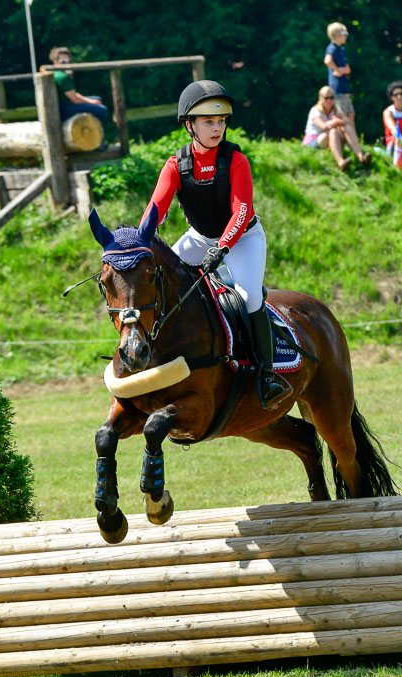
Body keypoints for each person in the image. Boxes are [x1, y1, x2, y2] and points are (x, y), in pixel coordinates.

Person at [140, 80, 292, 410]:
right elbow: (156, 210)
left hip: (242, 239)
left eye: (221, 121)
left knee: (250, 298)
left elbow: (240, 212)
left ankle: (267, 376)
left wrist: (221, 249)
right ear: (189, 125)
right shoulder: (175, 166)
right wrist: (139, 242)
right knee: (156, 285)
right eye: (208, 122)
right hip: (200, 238)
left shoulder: (237, 160)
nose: (217, 128)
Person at [302, 86, 371, 170]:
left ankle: (361, 157)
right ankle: (341, 162)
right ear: (320, 99)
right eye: (326, 98)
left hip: (330, 138)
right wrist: (335, 122)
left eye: (331, 97)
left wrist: (339, 122)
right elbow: (323, 126)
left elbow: (347, 121)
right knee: (333, 131)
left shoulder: (336, 109)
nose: (329, 100)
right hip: (313, 141)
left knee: (347, 127)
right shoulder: (315, 110)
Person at [41, 46, 108, 127]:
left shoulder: (57, 73)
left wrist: (92, 101)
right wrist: (91, 102)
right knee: (102, 110)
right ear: (55, 62)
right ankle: (94, 132)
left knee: (98, 99)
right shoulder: (62, 77)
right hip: (64, 110)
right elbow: (75, 99)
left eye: (67, 61)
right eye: (63, 61)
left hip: (62, 106)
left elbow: (73, 94)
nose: (66, 64)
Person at [324, 22, 355, 126]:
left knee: (350, 113)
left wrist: (341, 70)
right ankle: (340, 139)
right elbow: (327, 60)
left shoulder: (341, 49)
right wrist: (337, 69)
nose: (346, 36)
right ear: (338, 35)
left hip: (345, 88)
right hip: (337, 88)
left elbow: (348, 69)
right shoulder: (332, 48)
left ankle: (352, 139)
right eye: (344, 33)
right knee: (340, 114)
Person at [383, 81, 402, 157]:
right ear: (391, 97)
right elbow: (393, 130)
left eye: (401, 94)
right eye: (396, 94)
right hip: (394, 145)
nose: (399, 97)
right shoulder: (388, 112)